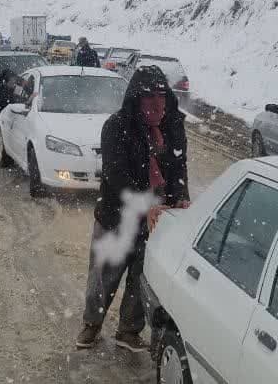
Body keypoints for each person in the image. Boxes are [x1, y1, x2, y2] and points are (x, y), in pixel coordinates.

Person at [77, 66, 189, 352]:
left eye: (162, 97)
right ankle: (92, 323)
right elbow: (116, 175)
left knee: (141, 277)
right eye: (149, 98)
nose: (157, 104)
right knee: (104, 276)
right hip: (117, 215)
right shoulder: (117, 126)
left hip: (153, 219)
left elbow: (178, 167)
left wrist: (180, 196)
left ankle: (128, 330)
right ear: (136, 99)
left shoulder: (172, 126)